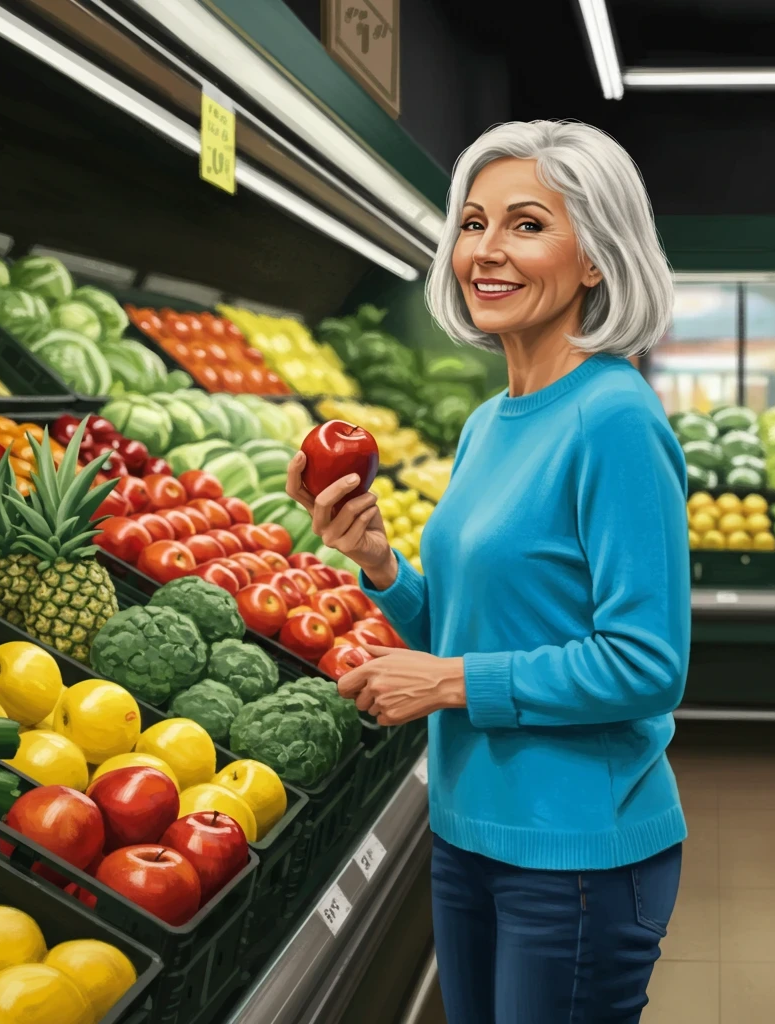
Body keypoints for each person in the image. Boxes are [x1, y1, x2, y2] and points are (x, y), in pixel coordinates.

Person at [285, 120, 690, 1024]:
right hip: (469, 829)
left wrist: (450, 682)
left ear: (597, 258)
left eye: (528, 224)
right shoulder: (485, 423)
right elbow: (470, 633)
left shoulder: (614, 419)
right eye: (473, 224)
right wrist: (381, 567)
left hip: (579, 852)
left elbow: (647, 663)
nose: (488, 252)